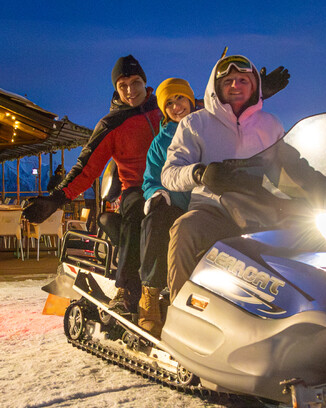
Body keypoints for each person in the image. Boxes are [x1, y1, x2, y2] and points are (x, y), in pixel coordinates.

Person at [23, 55, 162, 312]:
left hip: (176, 184)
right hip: (137, 189)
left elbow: (206, 115)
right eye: (123, 85)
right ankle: (127, 290)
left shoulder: (165, 108)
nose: (130, 91)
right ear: (116, 88)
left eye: (135, 82)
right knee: (135, 211)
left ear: (145, 82)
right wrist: (56, 198)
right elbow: (86, 168)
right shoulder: (112, 124)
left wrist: (253, 94)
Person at [160, 54, 285, 298]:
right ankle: (180, 309)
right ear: (216, 87)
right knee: (184, 229)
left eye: (243, 80)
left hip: (262, 212)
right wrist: (200, 174)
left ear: (254, 85)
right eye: (228, 81)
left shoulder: (270, 125)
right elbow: (169, 173)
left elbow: (292, 168)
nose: (235, 86)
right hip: (212, 210)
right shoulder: (195, 124)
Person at [136, 77, 197, 334]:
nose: (176, 106)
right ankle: (149, 295)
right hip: (175, 204)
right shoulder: (160, 143)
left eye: (180, 98)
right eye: (169, 103)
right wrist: (159, 194)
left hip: (211, 202)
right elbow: (150, 179)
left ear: (191, 100)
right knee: (155, 221)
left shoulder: (207, 127)